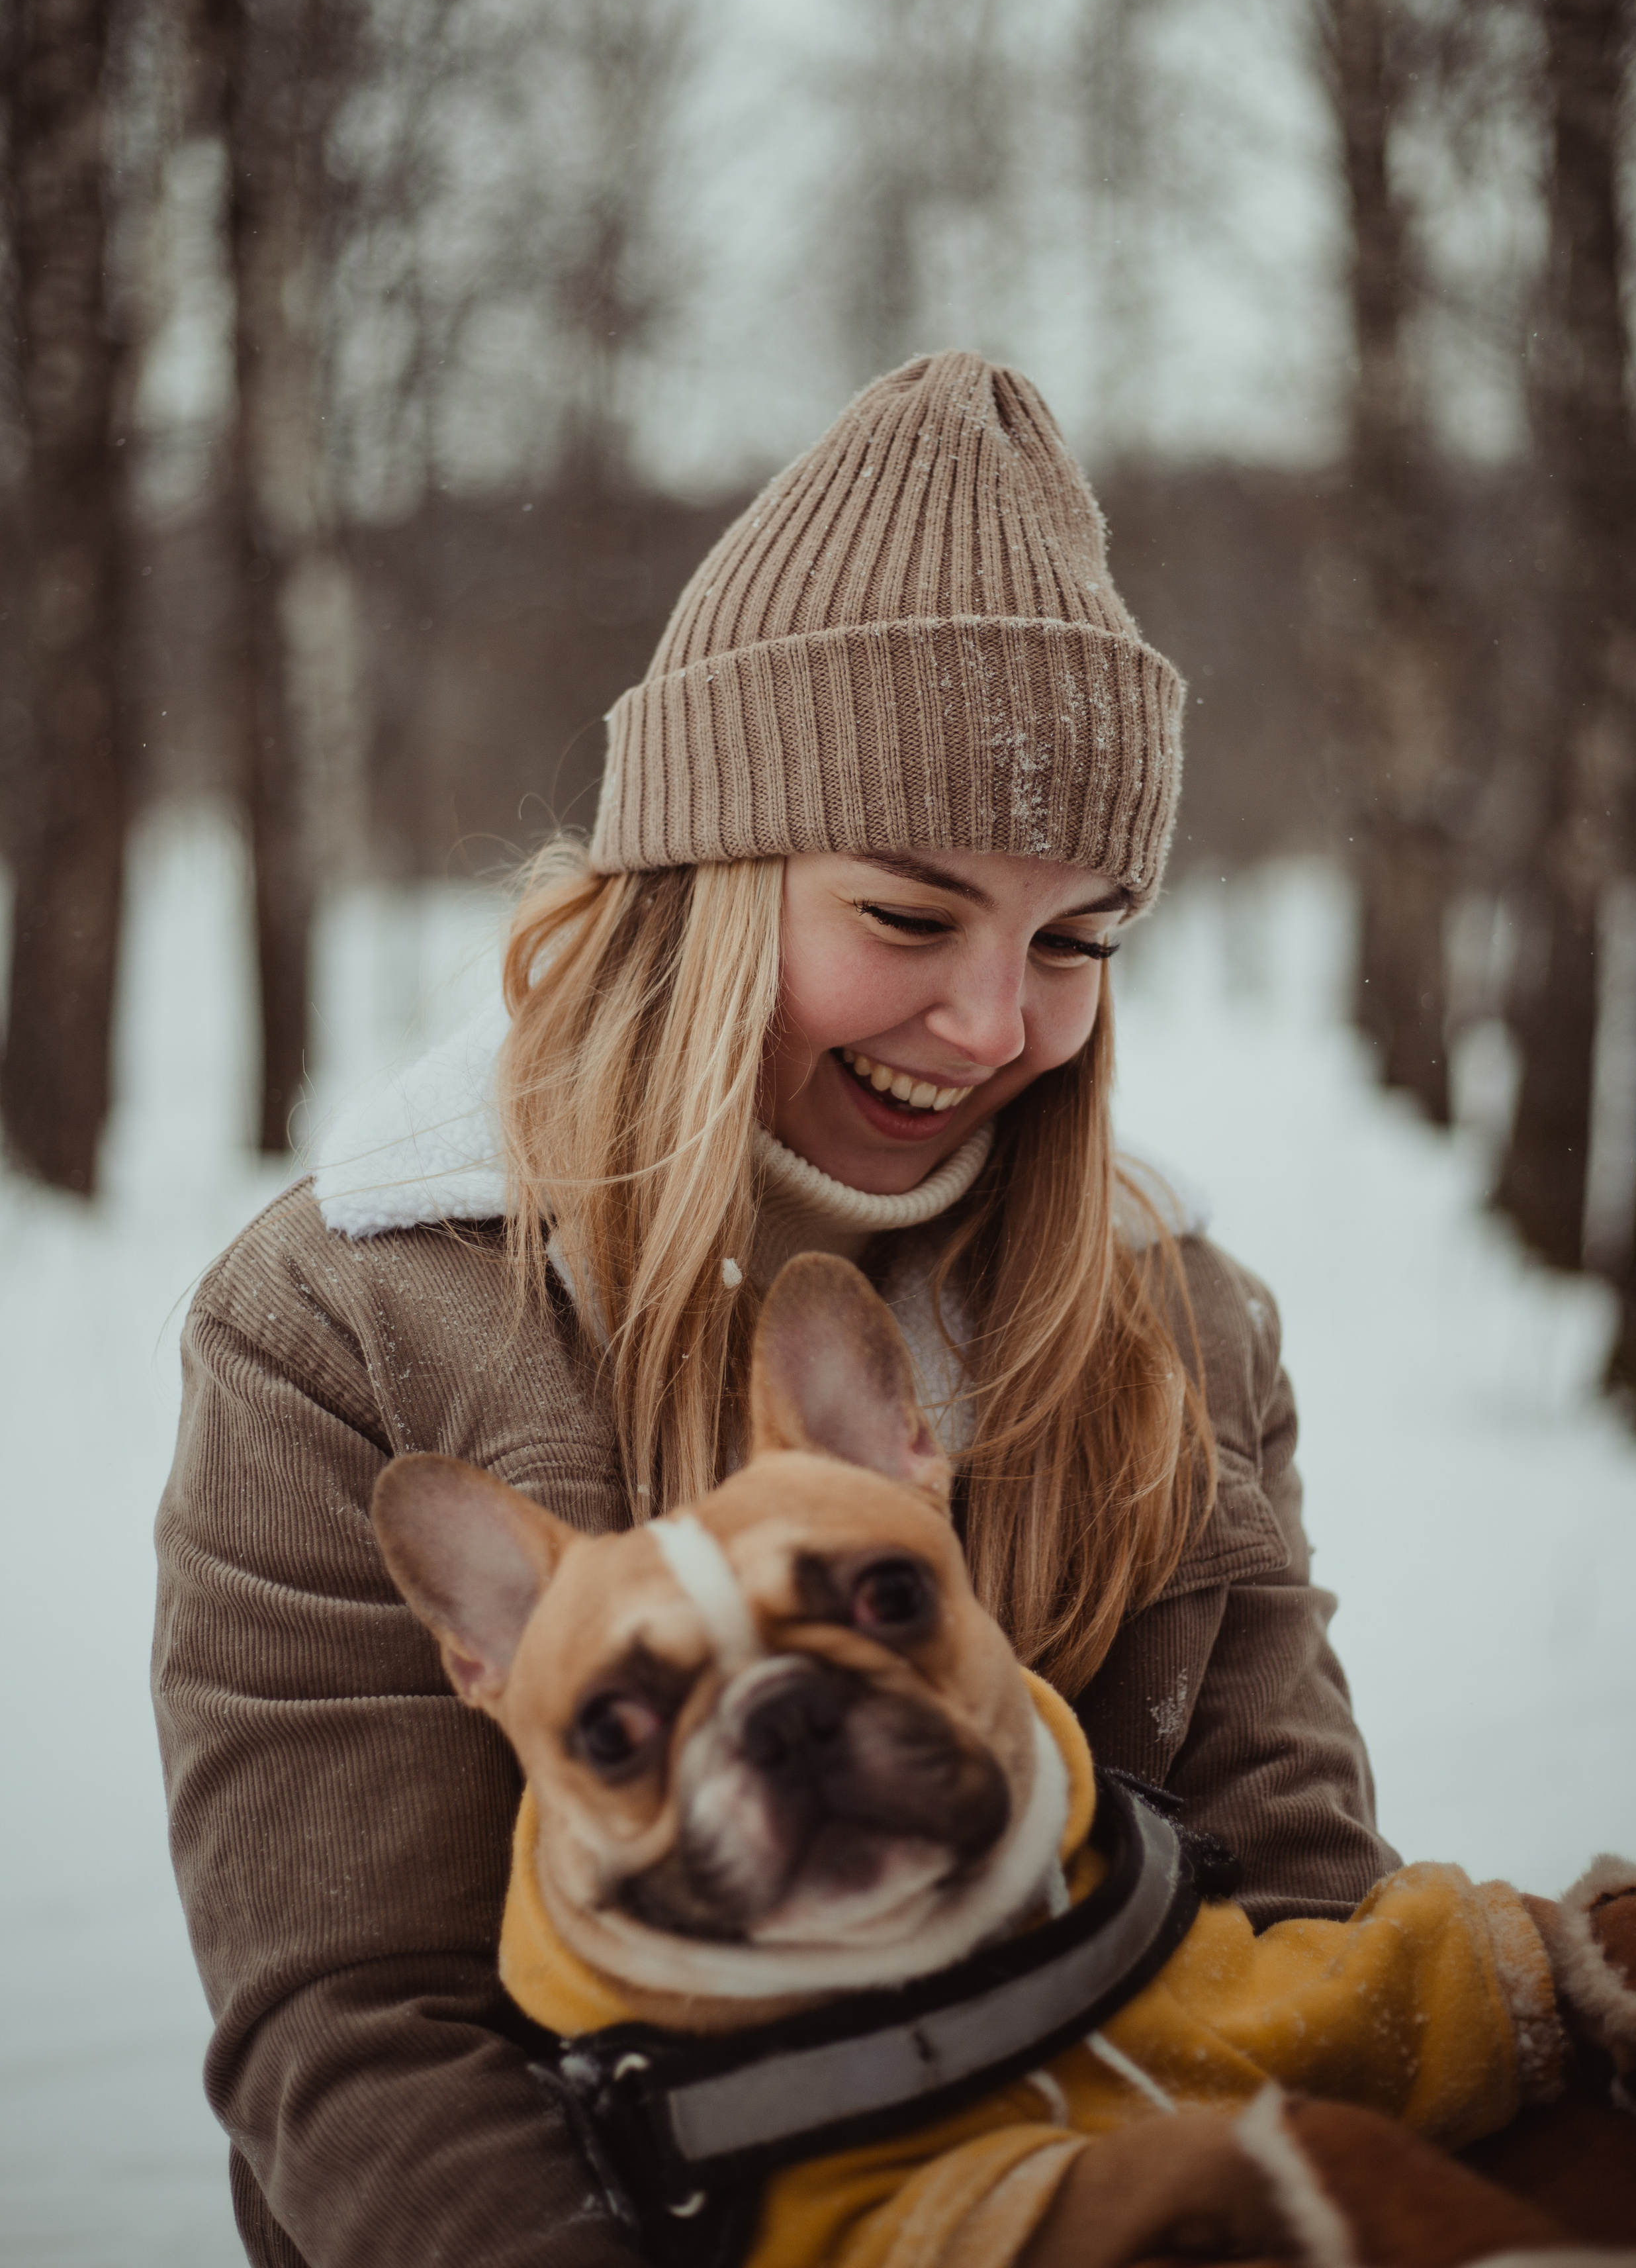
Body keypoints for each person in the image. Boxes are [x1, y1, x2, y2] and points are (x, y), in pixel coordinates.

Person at [154, 350, 1398, 2268]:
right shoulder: (349, 1324)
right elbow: (359, 2030)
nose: (994, 1025)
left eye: (1077, 941)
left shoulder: (1174, 1315)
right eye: (908, 916)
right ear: (709, 879)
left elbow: (1307, 1905)